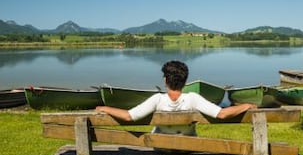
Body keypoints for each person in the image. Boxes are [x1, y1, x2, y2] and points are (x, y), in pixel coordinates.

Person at [96, 60, 257, 136]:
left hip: (161, 147)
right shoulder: (193, 98)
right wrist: (246, 105)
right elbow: (222, 114)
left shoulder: (157, 99)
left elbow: (129, 116)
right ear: (185, 81)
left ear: (165, 80)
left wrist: (104, 107)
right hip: (188, 146)